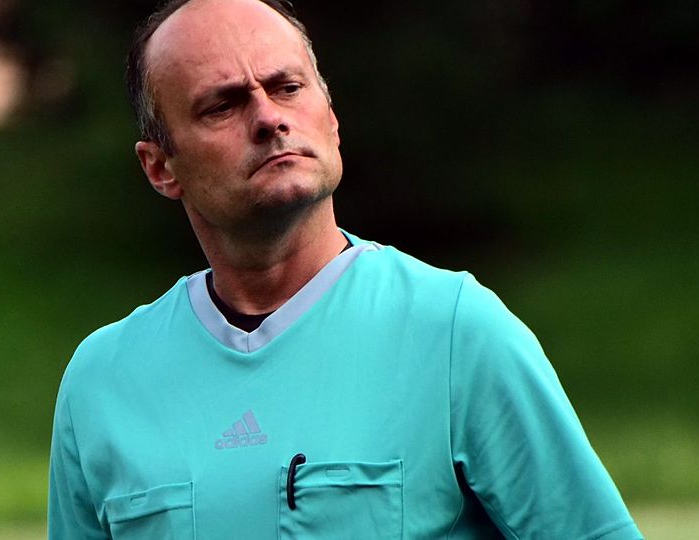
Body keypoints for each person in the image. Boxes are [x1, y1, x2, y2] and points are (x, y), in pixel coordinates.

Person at [47, 0, 643, 538]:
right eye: (222, 105)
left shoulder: (455, 332)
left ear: (331, 119)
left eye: (287, 87)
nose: (268, 117)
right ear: (160, 167)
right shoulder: (102, 381)